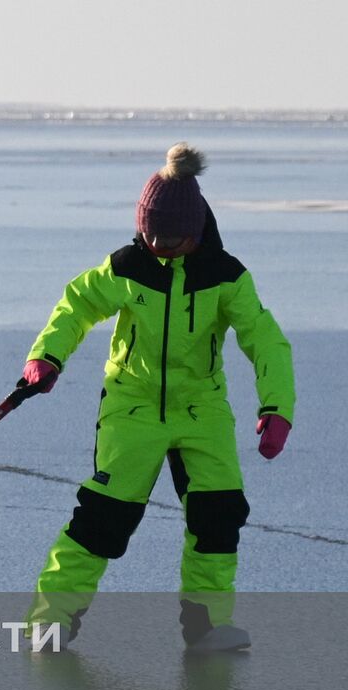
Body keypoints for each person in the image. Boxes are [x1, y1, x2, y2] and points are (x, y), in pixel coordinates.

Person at [22, 143, 295, 651]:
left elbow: (266, 341)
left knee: (218, 515)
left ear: (195, 231)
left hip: (202, 409)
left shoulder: (226, 276)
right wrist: (48, 356)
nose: (161, 245)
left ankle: (208, 626)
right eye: (152, 235)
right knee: (104, 517)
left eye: (173, 238)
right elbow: (77, 304)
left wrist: (277, 407)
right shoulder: (128, 266)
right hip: (133, 406)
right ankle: (50, 619)